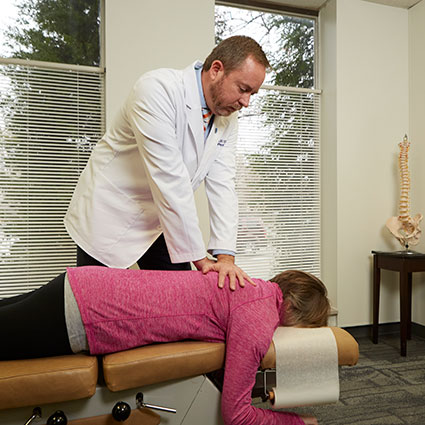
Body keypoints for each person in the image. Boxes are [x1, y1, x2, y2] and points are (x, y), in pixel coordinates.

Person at [64, 35, 270, 290]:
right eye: (243, 89)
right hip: (110, 213)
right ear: (217, 70)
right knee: (93, 306)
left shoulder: (228, 117)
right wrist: (200, 260)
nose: (246, 102)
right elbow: (170, 180)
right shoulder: (156, 90)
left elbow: (223, 185)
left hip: (161, 220)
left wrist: (225, 257)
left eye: (253, 93)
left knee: (179, 299)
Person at [0, 268, 328, 425]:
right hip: (87, 313)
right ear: (299, 321)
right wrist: (301, 423)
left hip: (81, 285)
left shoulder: (251, 288)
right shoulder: (257, 319)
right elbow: (237, 415)